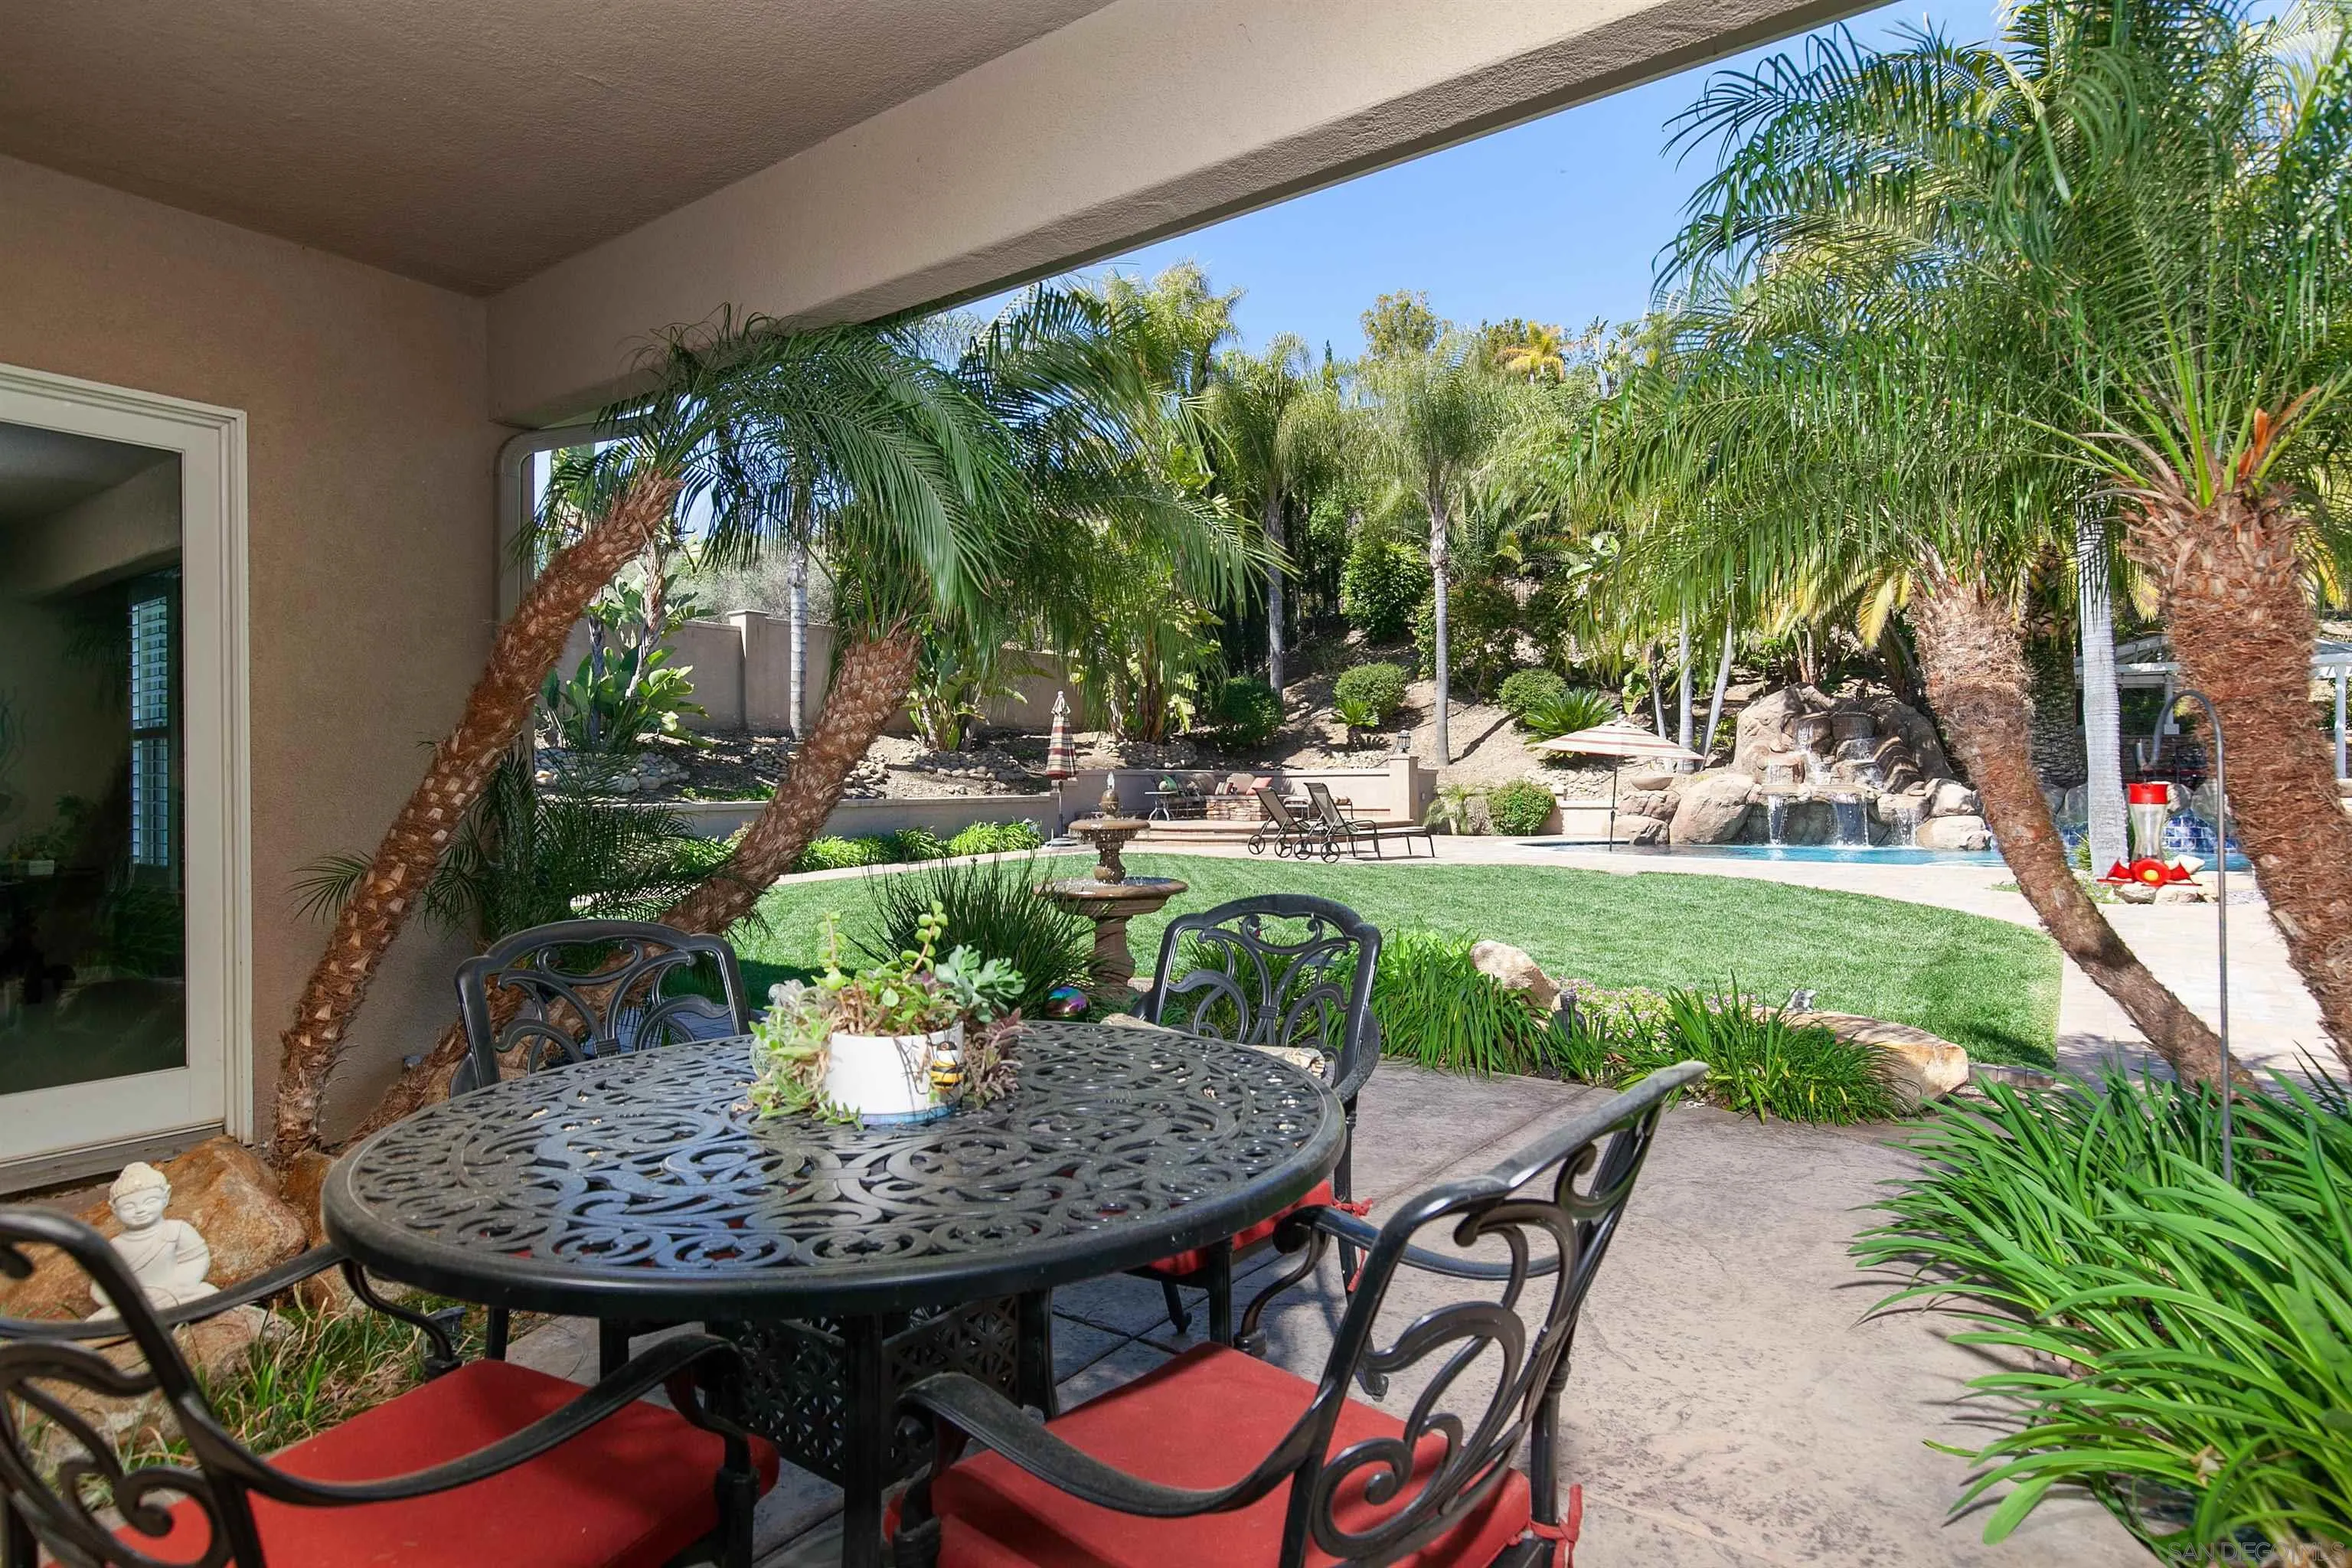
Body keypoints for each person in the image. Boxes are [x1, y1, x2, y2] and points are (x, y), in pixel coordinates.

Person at [88, 1161, 215, 1316]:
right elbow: (99, 1288)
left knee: (208, 1294)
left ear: (166, 1197)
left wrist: (176, 1287)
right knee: (103, 1319)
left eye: (150, 1202)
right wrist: (132, 1298)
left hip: (176, 1294)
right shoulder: (116, 1245)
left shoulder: (176, 1230)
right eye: (129, 1207)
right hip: (137, 1304)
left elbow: (196, 1259)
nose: (140, 1210)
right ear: (114, 1210)